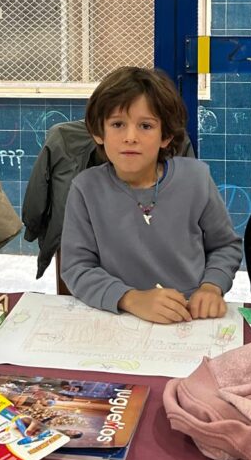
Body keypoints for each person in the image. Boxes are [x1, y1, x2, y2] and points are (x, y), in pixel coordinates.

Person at [60, 67, 241, 323]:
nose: (130, 137)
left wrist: (212, 287)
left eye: (146, 126)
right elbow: (77, 267)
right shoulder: (85, 189)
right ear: (99, 133)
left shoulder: (196, 179)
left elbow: (225, 246)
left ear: (165, 136)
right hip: (119, 316)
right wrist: (130, 298)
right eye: (117, 124)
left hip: (190, 316)